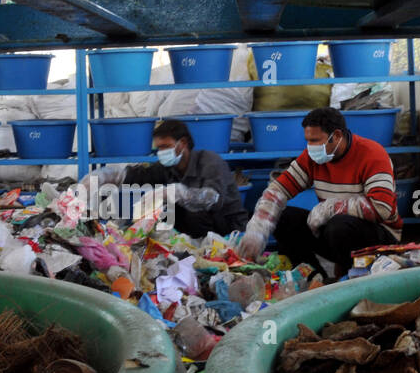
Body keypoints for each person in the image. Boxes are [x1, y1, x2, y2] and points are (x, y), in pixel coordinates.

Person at [238, 107, 401, 279]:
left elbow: (383, 207)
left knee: (338, 225)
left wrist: (331, 208)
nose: (311, 147)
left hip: (379, 237)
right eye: (308, 141)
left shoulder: (372, 154)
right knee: (284, 219)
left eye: (316, 140)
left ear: (337, 136)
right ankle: (314, 279)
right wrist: (258, 228)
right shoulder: (313, 158)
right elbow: (279, 190)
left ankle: (352, 279)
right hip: (336, 233)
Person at [90, 118, 249, 238]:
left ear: (183, 144)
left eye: (165, 147)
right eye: (158, 148)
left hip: (226, 233)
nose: (161, 153)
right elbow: (140, 176)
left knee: (182, 210)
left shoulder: (210, 162)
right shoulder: (168, 167)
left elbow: (214, 198)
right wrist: (106, 176)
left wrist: (177, 193)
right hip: (193, 234)